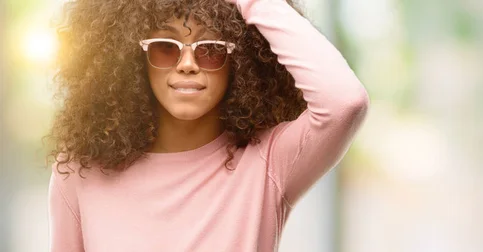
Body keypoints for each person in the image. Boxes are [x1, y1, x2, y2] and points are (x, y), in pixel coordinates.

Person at [46, 0, 369, 251]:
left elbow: (344, 102)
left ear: (239, 61)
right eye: (165, 47)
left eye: (211, 50)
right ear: (133, 57)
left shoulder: (267, 162)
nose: (187, 65)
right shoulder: (80, 171)